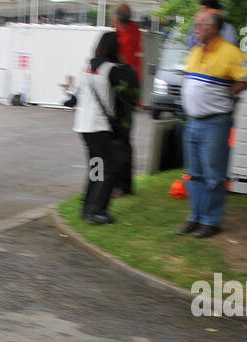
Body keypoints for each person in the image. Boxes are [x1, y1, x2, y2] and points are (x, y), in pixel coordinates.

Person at [178, 9, 247, 238]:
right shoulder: (195, 51)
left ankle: (211, 220)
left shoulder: (230, 52)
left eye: (199, 26)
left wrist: (233, 91)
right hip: (194, 121)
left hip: (215, 123)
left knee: (213, 175)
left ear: (213, 28)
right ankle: (196, 217)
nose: (195, 30)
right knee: (194, 174)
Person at [73, 32, 134, 224]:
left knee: (96, 167)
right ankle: (98, 211)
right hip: (99, 126)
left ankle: (88, 208)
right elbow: (130, 85)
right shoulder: (112, 70)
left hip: (83, 125)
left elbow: (78, 94)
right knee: (109, 168)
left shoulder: (87, 67)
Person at [111, 5, 143, 194]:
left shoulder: (127, 38)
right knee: (121, 141)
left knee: (120, 141)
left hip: (123, 96)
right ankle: (121, 184)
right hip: (126, 96)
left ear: (118, 19)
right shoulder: (132, 33)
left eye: (112, 16)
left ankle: (121, 185)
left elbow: (123, 67)